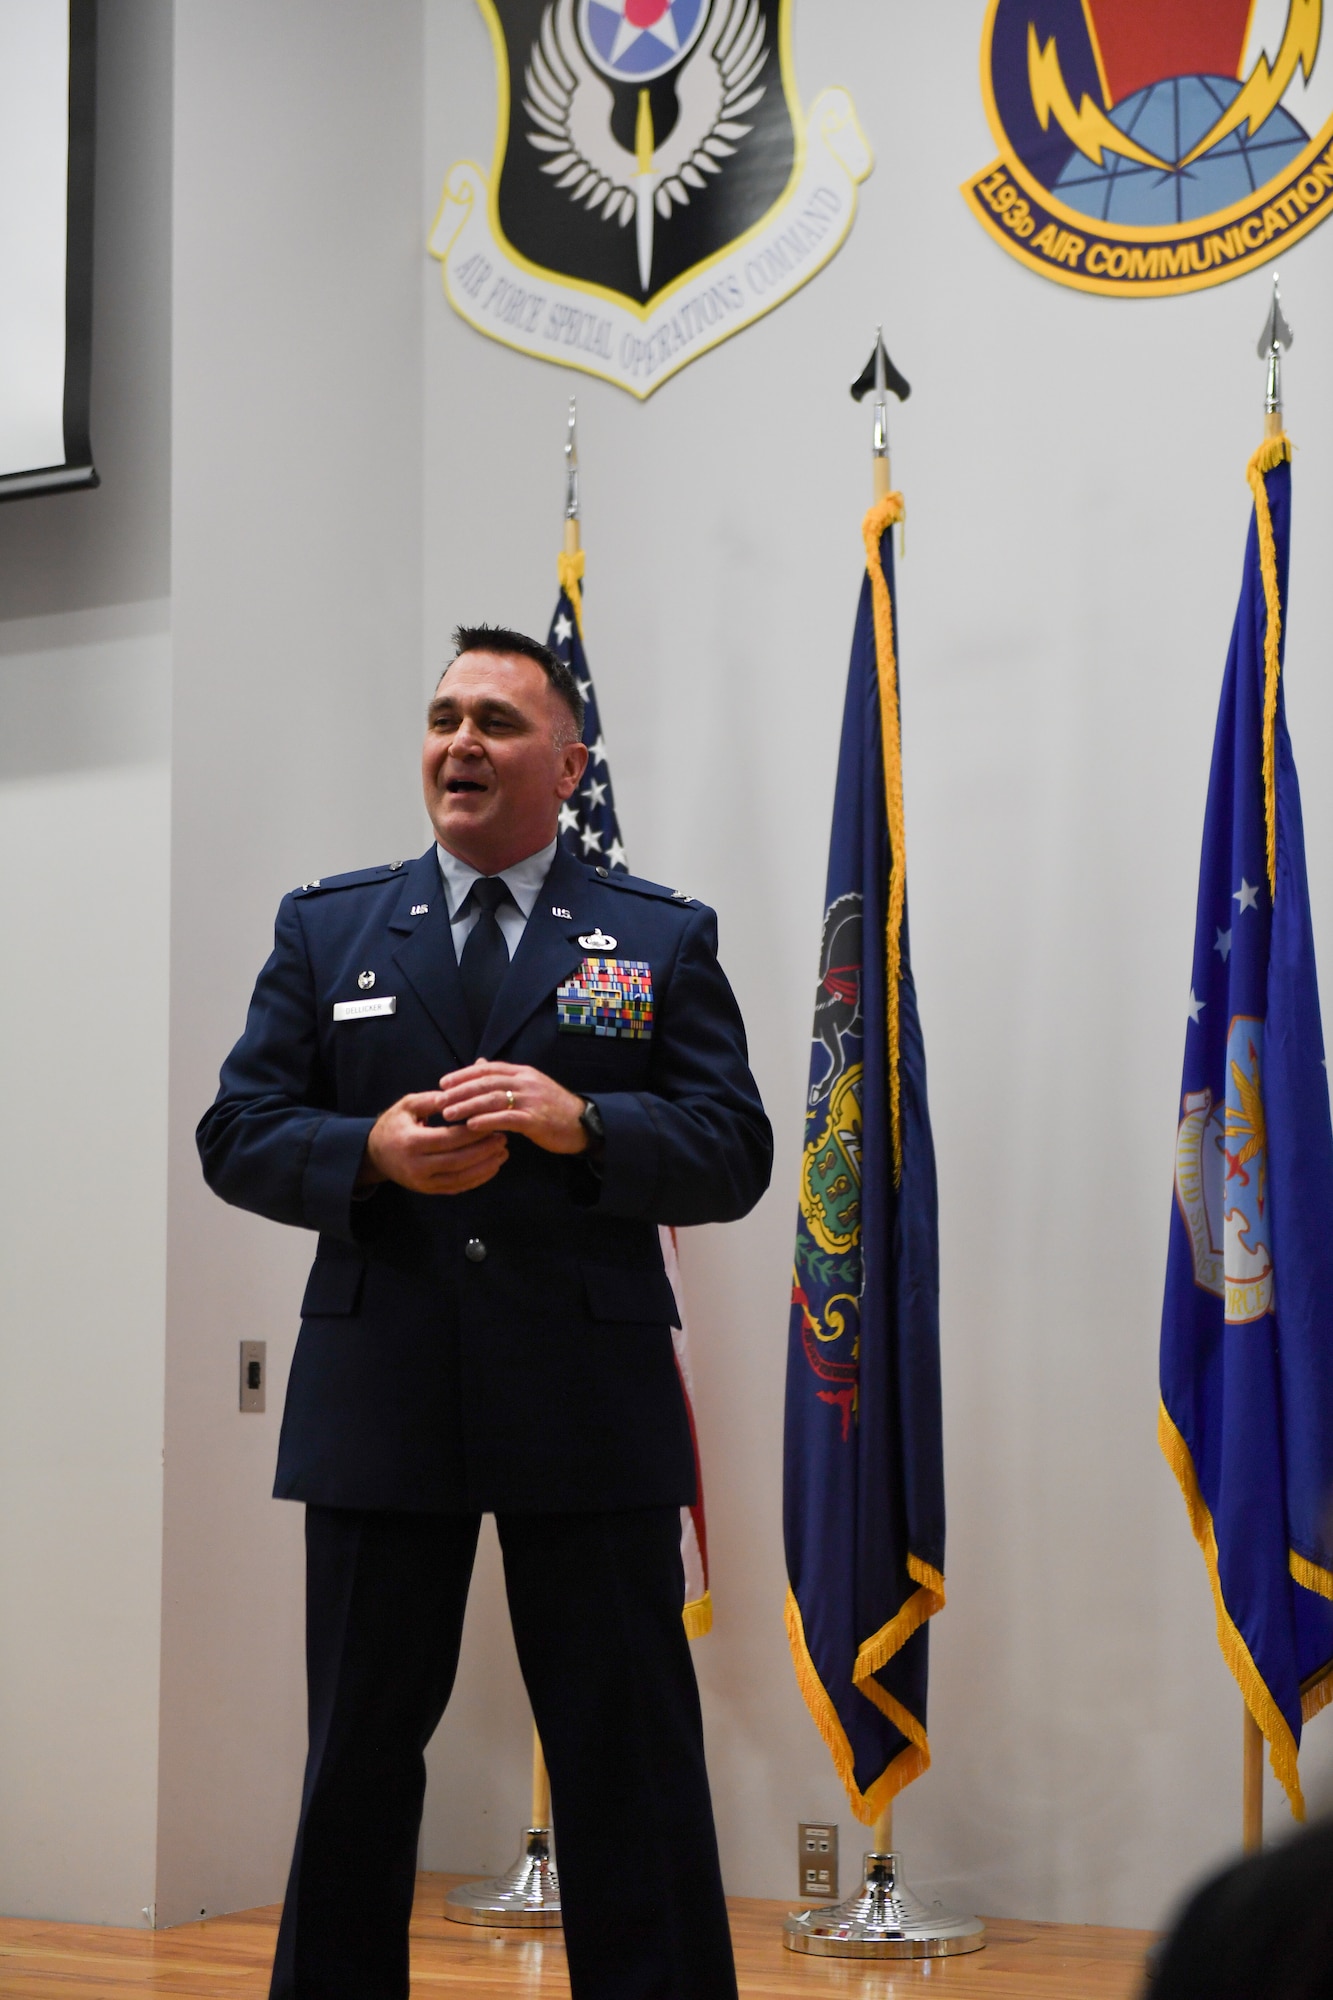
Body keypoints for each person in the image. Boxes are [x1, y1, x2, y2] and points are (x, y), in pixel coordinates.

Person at [197, 625, 773, 2000]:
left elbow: (735, 1150)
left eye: (499, 723)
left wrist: (589, 1125)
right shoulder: (328, 924)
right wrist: (369, 1156)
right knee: (355, 1757)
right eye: (444, 717)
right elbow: (237, 1130)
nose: (461, 742)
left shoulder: (655, 933)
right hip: (379, 1391)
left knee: (625, 1753)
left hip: (584, 1397)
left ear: (569, 763)